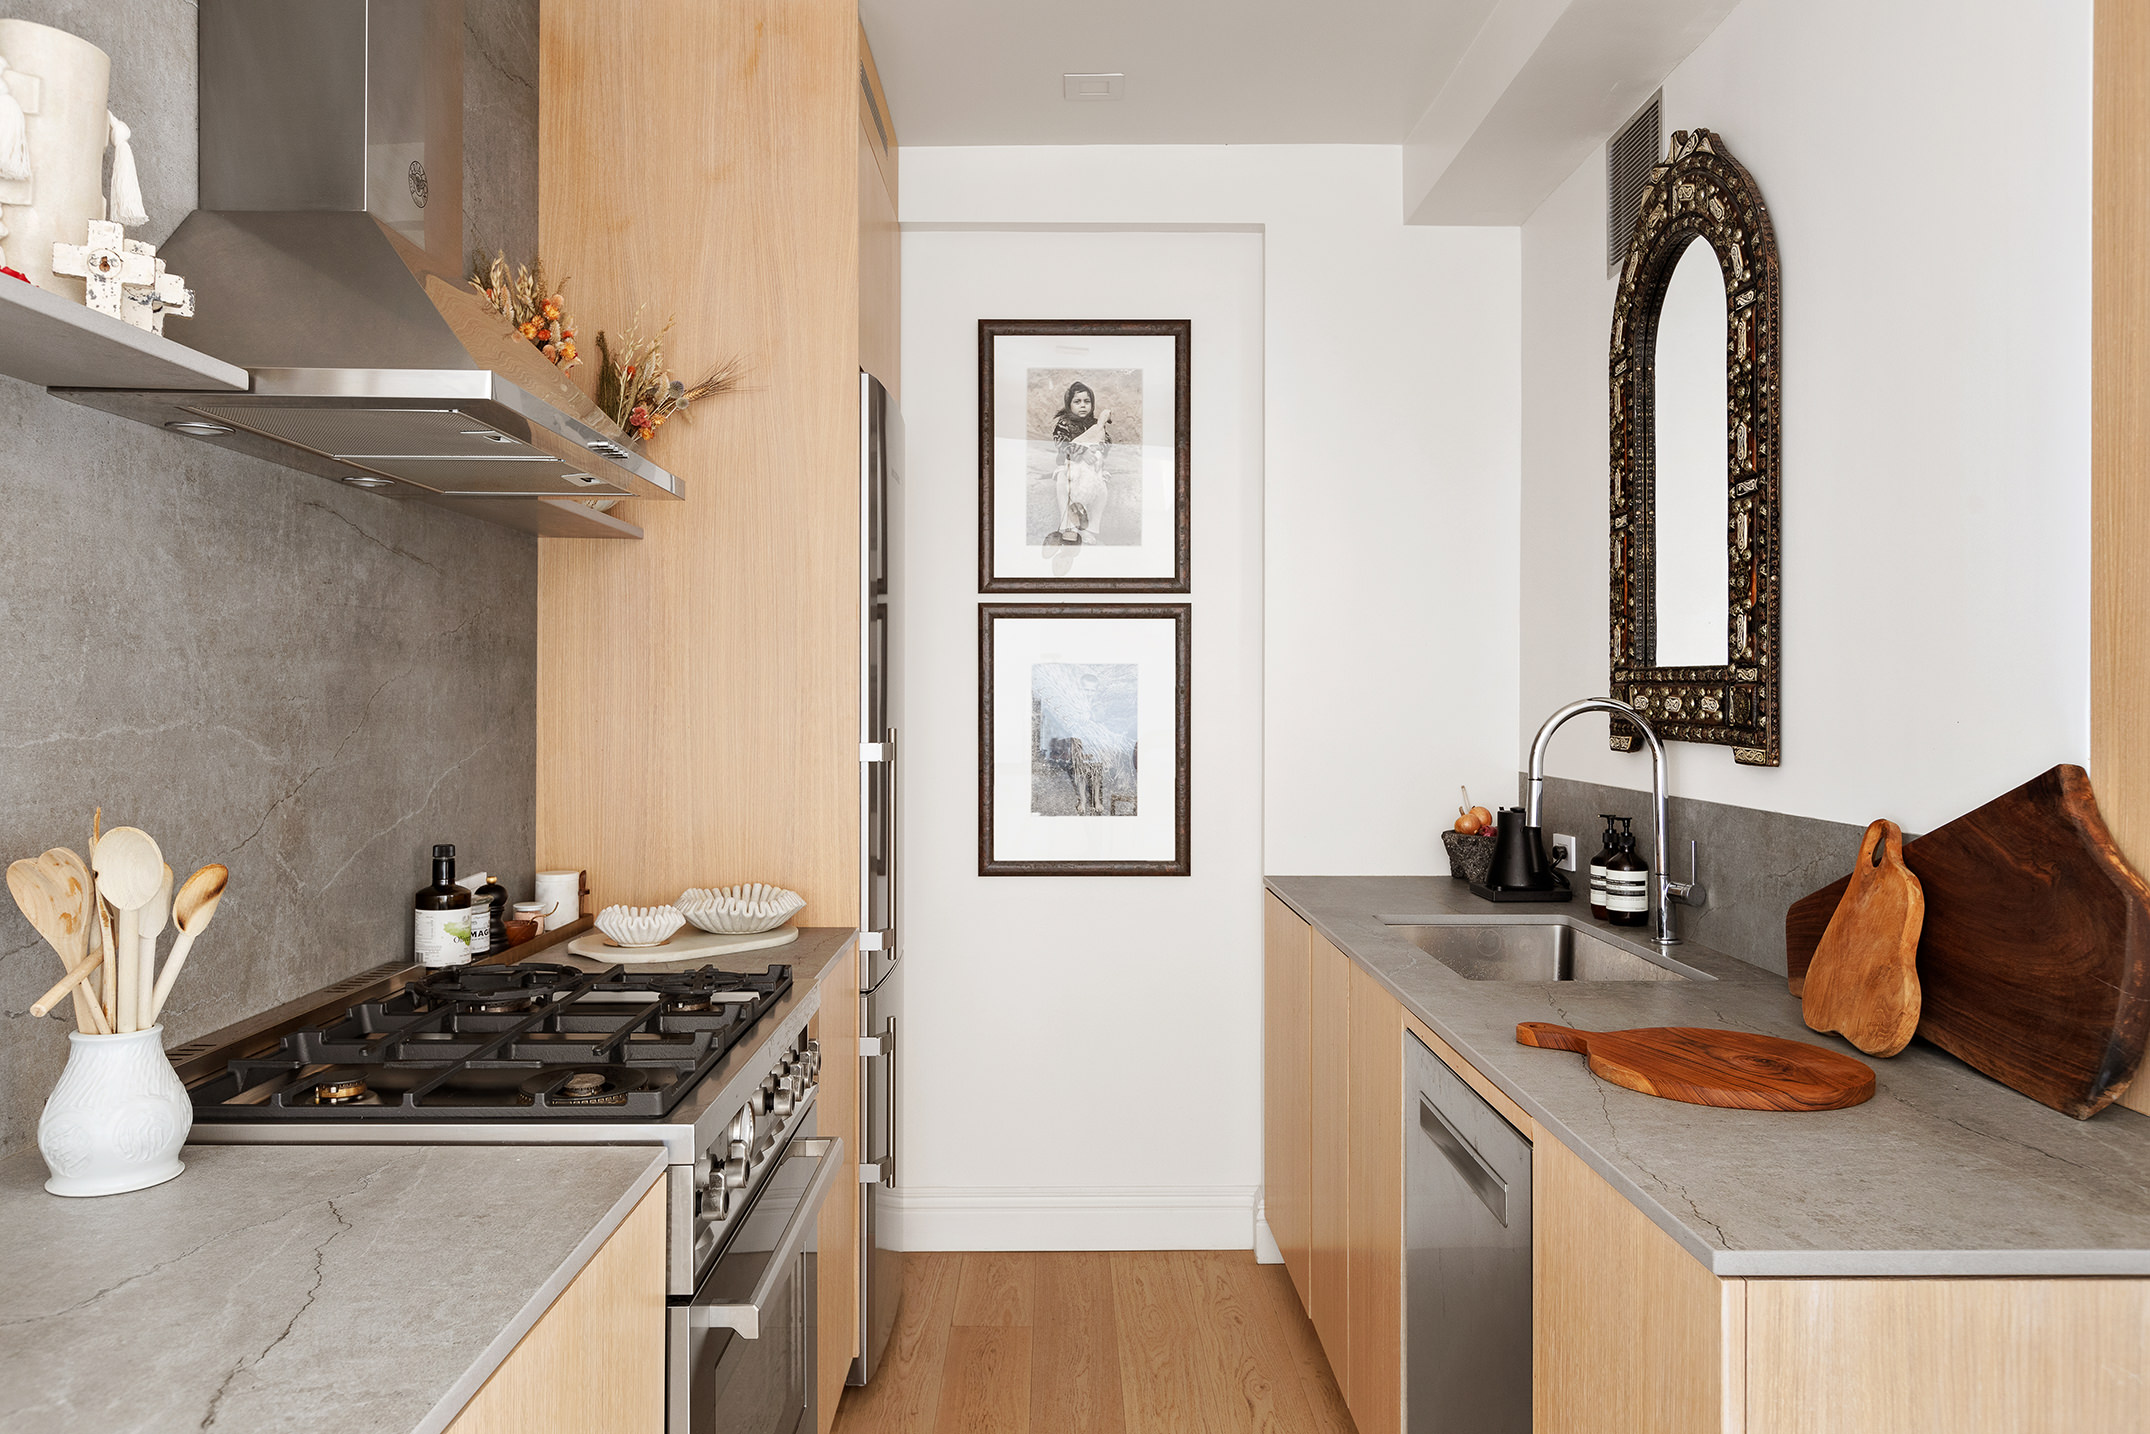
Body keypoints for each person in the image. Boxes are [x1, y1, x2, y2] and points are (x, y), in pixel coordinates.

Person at [1049, 381, 1111, 542]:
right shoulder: (1064, 424)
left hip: (1091, 469)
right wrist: (1082, 451)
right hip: (1069, 466)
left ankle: (1091, 528)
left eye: (1087, 401)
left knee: (1102, 491)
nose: (1083, 405)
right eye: (1077, 401)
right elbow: (1061, 444)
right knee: (1063, 483)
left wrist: (1099, 448)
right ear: (1069, 405)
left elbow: (1107, 443)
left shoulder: (1096, 424)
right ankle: (1067, 526)